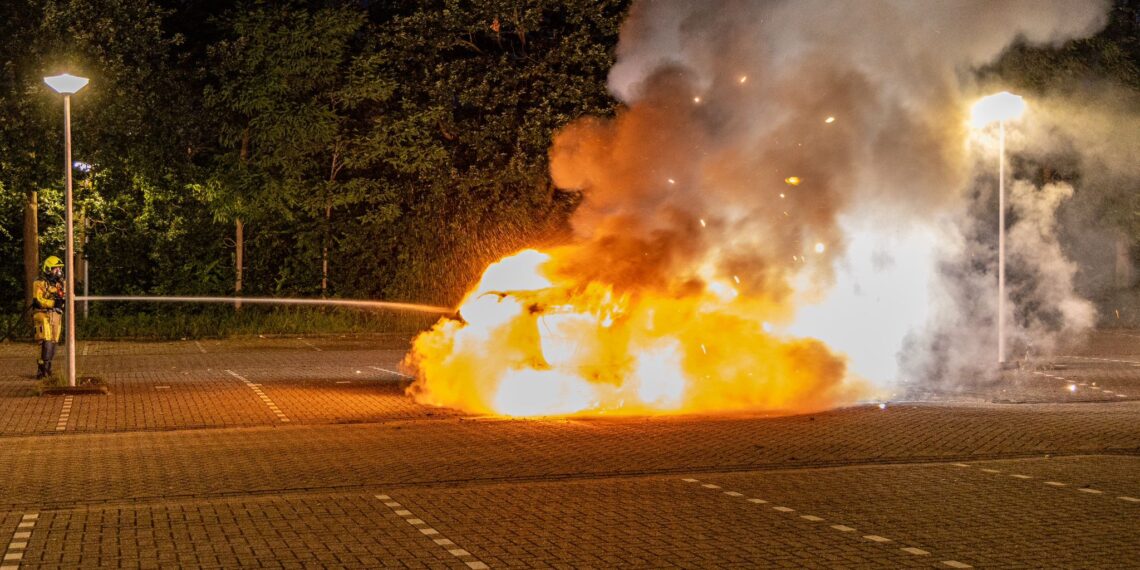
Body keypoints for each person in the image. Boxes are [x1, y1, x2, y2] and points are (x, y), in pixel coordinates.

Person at [32, 256, 66, 379]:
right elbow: (38, 301)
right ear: (48, 269)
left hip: (56, 315)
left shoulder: (60, 283)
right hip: (42, 314)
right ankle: (42, 370)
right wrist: (53, 303)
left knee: (53, 341)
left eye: (59, 269)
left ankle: (48, 368)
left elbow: (66, 296)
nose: (58, 271)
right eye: (55, 269)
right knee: (45, 341)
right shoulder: (39, 282)